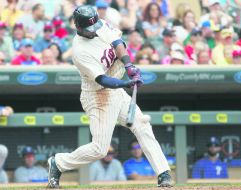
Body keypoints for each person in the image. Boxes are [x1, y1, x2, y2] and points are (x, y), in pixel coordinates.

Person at [47, 5, 173, 188]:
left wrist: (129, 65)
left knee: (142, 124)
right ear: (78, 27)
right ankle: (58, 163)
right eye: (89, 29)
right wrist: (125, 84)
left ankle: (163, 173)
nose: (94, 31)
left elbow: (117, 43)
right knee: (99, 149)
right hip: (98, 95)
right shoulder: (80, 51)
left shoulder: (100, 24)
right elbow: (102, 79)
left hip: (116, 90)